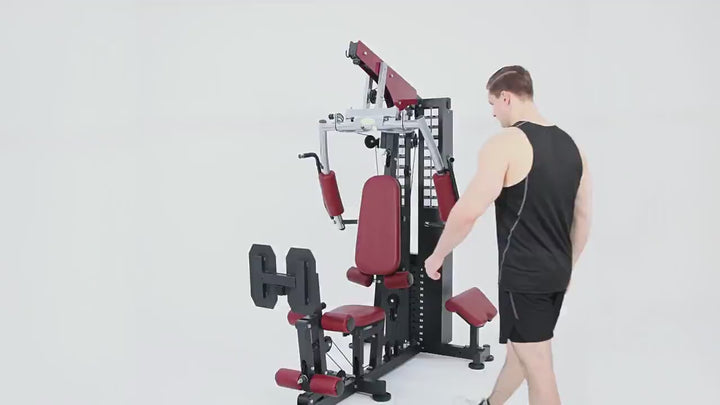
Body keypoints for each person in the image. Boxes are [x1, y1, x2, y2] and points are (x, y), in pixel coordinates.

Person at [424, 66, 593, 405]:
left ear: (506, 97)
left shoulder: (505, 143)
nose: (492, 113)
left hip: (524, 276)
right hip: (556, 272)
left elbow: (468, 211)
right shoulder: (572, 146)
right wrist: (567, 266)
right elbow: (583, 217)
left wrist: (437, 255)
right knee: (522, 353)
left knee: (540, 369)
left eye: (492, 104)